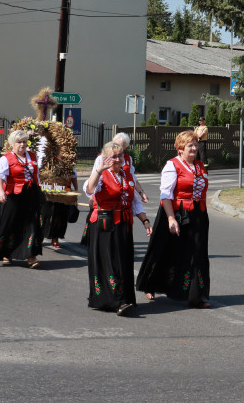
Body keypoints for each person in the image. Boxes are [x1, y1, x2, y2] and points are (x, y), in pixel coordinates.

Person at [136, 130, 212, 308]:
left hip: (198, 215)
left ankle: (196, 296)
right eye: (190, 145)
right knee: (164, 250)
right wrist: (171, 219)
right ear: (180, 149)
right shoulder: (172, 166)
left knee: (197, 254)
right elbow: (166, 196)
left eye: (195, 144)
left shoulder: (200, 165)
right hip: (176, 213)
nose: (194, 148)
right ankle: (150, 285)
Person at [84, 141, 152, 315]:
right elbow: (90, 190)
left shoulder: (127, 174)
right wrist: (99, 170)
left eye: (120, 155)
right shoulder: (102, 174)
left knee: (123, 263)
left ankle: (124, 299)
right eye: (113, 156)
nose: (117, 159)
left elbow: (135, 203)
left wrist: (145, 222)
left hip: (124, 225)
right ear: (106, 158)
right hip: (105, 226)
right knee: (111, 264)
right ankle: (118, 301)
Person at [0, 130, 43, 268]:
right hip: (14, 194)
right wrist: (1, 191)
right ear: (12, 144)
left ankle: (31, 256)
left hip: (30, 194)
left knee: (31, 224)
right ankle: (7, 253)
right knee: (11, 223)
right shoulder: (6, 158)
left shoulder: (32, 156)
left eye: (24, 142)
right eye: (19, 142)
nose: (22, 145)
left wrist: (40, 188)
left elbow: (36, 174)